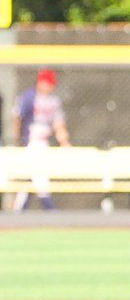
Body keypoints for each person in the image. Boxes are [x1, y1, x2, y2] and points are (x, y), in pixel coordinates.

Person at [11, 69, 71, 212]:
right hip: (31, 142)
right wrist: (18, 139)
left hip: (45, 144)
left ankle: (17, 214)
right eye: (48, 83)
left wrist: (65, 143)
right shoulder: (29, 97)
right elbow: (17, 118)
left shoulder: (53, 100)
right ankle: (51, 211)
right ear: (41, 82)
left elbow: (58, 124)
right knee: (40, 178)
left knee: (31, 180)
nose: (50, 87)